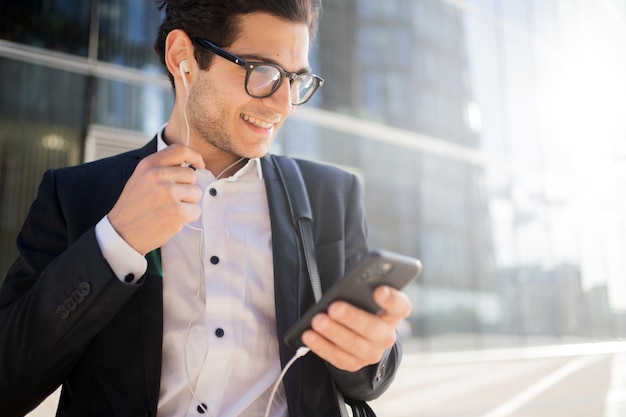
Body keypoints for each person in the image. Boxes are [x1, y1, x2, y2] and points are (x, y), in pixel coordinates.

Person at [0, 1, 413, 416]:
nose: (284, 104)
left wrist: (367, 352)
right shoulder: (74, 196)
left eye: (297, 80)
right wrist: (116, 240)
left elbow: (368, 378)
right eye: (262, 72)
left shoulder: (332, 196)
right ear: (183, 58)